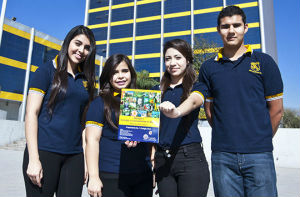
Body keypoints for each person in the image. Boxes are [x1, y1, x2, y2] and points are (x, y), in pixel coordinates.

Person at [198, 6, 284, 197]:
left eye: (236, 25)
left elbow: (276, 110)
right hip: (222, 156)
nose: (231, 31)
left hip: (259, 154)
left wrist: (259, 139)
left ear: (246, 28)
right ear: (218, 30)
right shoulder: (208, 67)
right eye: (225, 26)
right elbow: (210, 112)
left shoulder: (264, 62)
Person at [22, 25, 96, 197]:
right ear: (67, 42)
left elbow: (83, 123)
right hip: (44, 152)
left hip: (74, 156)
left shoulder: (86, 80)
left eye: (87, 48)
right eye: (77, 43)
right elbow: (31, 113)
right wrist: (34, 159)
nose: (81, 50)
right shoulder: (46, 71)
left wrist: (85, 159)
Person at [85, 54, 153, 197]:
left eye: (124, 71)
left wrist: (151, 168)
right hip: (111, 175)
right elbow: (92, 140)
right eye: (115, 72)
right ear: (108, 76)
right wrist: (94, 177)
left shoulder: (143, 100)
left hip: (143, 174)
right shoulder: (99, 103)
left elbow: (150, 139)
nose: (120, 76)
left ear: (131, 73)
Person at [153, 39, 210, 197]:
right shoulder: (155, 91)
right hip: (162, 160)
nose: (172, 63)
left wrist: (176, 112)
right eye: (168, 58)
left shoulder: (197, 86)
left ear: (188, 60)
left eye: (178, 58)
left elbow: (194, 101)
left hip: (190, 158)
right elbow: (147, 126)